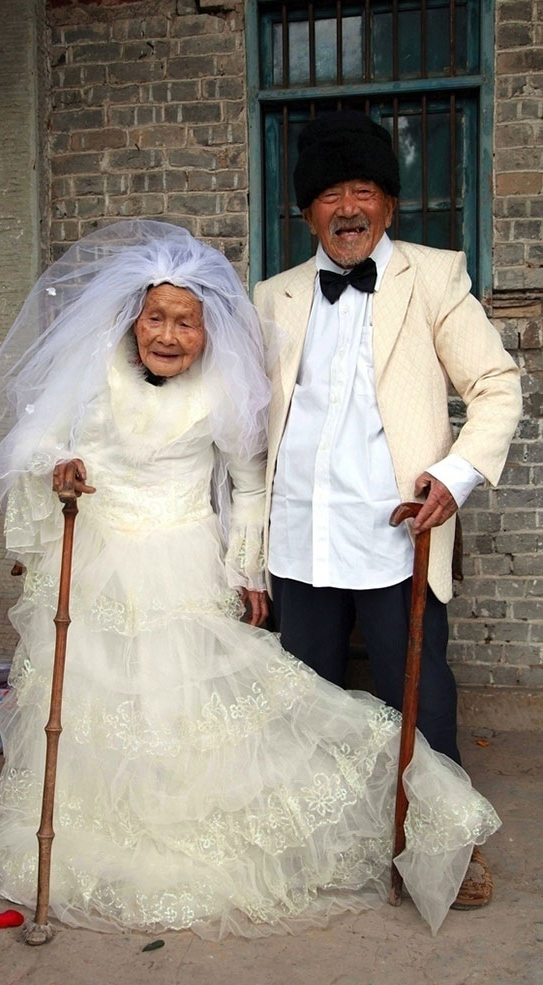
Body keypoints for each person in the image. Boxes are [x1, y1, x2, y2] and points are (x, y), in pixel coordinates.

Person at [0, 219, 499, 940]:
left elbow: (250, 481)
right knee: (97, 702)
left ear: (207, 329)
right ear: (132, 320)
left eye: (185, 321)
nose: (169, 333)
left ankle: (433, 828)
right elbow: (37, 437)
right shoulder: (94, 375)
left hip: (191, 557)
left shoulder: (223, 386)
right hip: (97, 563)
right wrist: (59, 467)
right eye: (155, 317)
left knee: (193, 701)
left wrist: (243, 565)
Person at [253, 111, 522, 910]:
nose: (346, 208)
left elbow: (496, 385)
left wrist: (455, 475)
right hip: (300, 534)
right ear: (305, 212)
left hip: (396, 531)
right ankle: (325, 838)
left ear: (388, 204)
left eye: (362, 190)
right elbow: (242, 424)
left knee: (420, 694)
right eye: (328, 194)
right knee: (307, 698)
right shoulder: (272, 296)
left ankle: (444, 843)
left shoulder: (433, 277)